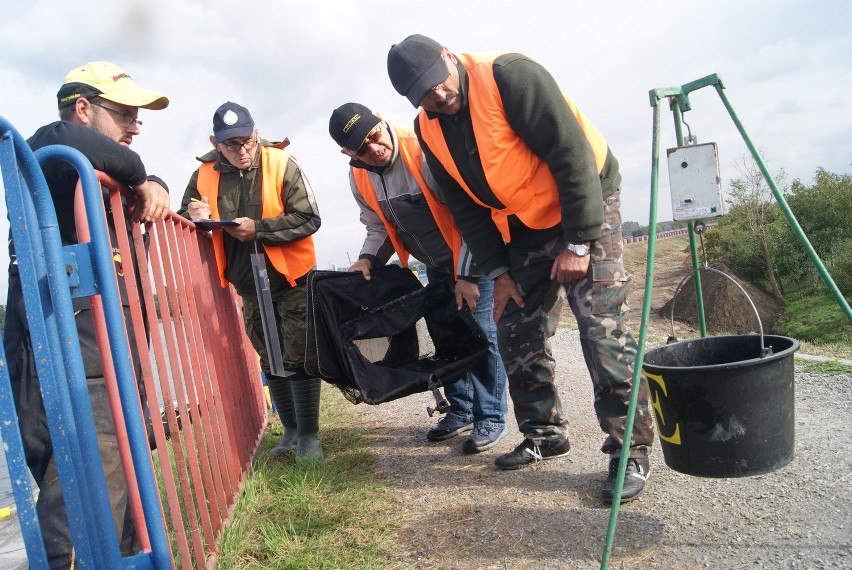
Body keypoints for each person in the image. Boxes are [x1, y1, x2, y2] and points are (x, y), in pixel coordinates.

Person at [387, 35, 656, 502]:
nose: (438, 97)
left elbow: (570, 154)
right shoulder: (429, 128)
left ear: (449, 56)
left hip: (586, 199)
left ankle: (629, 449)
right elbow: (464, 209)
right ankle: (544, 434)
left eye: (438, 83)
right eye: (424, 96)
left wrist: (577, 242)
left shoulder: (510, 75)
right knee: (513, 325)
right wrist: (499, 272)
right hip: (527, 223)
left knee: (600, 328)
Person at [3, 61, 171, 568]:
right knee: (83, 472)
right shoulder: (51, 160)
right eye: (124, 114)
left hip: (95, 338)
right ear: (83, 109)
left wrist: (149, 182)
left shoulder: (99, 179)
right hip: (60, 333)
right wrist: (141, 176)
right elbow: (53, 138)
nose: (135, 127)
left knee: (116, 461)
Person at [328, 102, 508, 453]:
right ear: (347, 153)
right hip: (434, 264)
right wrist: (366, 259)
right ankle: (463, 410)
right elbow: (378, 226)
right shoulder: (359, 175)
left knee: (480, 334)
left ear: (381, 119)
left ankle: (491, 417)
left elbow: (470, 217)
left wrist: (467, 275)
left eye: (374, 136)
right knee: (447, 336)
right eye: (361, 149)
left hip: (474, 258)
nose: (374, 149)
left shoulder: (422, 148)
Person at [178, 102, 324, 461]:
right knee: (269, 356)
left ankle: (309, 436)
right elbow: (183, 217)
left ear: (256, 133)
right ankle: (289, 432)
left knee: (299, 354)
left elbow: (309, 217)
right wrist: (192, 215)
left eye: (247, 141)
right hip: (247, 283)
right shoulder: (203, 174)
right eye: (232, 145)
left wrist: (258, 230)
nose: (242, 150)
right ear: (216, 142)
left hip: (291, 278)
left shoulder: (281, 164)